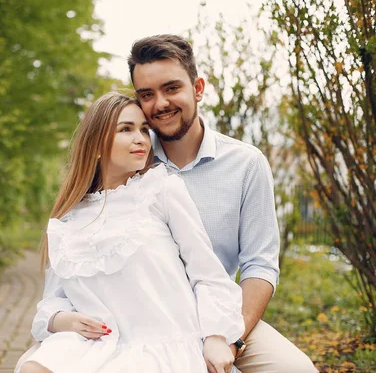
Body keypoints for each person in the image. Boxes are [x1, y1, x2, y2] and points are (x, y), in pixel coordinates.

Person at [16, 92, 245, 373]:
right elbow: (53, 299)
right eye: (126, 129)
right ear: (97, 144)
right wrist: (61, 319)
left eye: (144, 129)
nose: (141, 139)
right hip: (98, 345)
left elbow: (207, 273)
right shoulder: (69, 219)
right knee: (32, 368)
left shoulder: (162, 190)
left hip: (164, 346)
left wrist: (217, 336)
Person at [127, 34, 316, 372]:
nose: (159, 104)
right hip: (145, 315)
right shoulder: (129, 161)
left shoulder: (246, 164)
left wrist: (233, 337)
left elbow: (260, 264)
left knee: (295, 369)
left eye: (172, 88)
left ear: (197, 88)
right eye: (147, 95)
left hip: (220, 314)